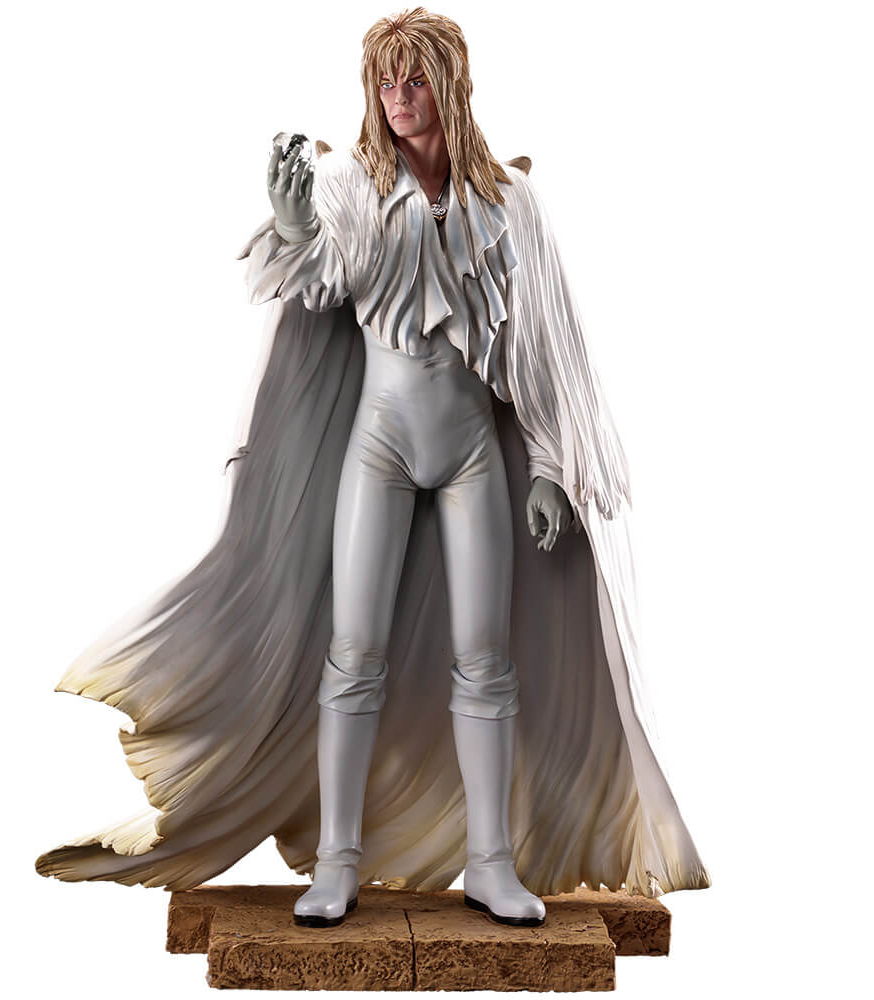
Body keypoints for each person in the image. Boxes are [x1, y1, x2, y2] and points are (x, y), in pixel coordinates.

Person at [35, 8, 710, 929]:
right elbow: (317, 273)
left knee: (487, 659)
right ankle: (337, 862)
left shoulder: (509, 202)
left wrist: (552, 465)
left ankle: (491, 861)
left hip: (472, 449)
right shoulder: (352, 184)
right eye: (385, 81)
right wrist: (292, 222)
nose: (397, 96)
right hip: (380, 442)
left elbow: (545, 345)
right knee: (353, 656)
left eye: (414, 78)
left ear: (450, 85)